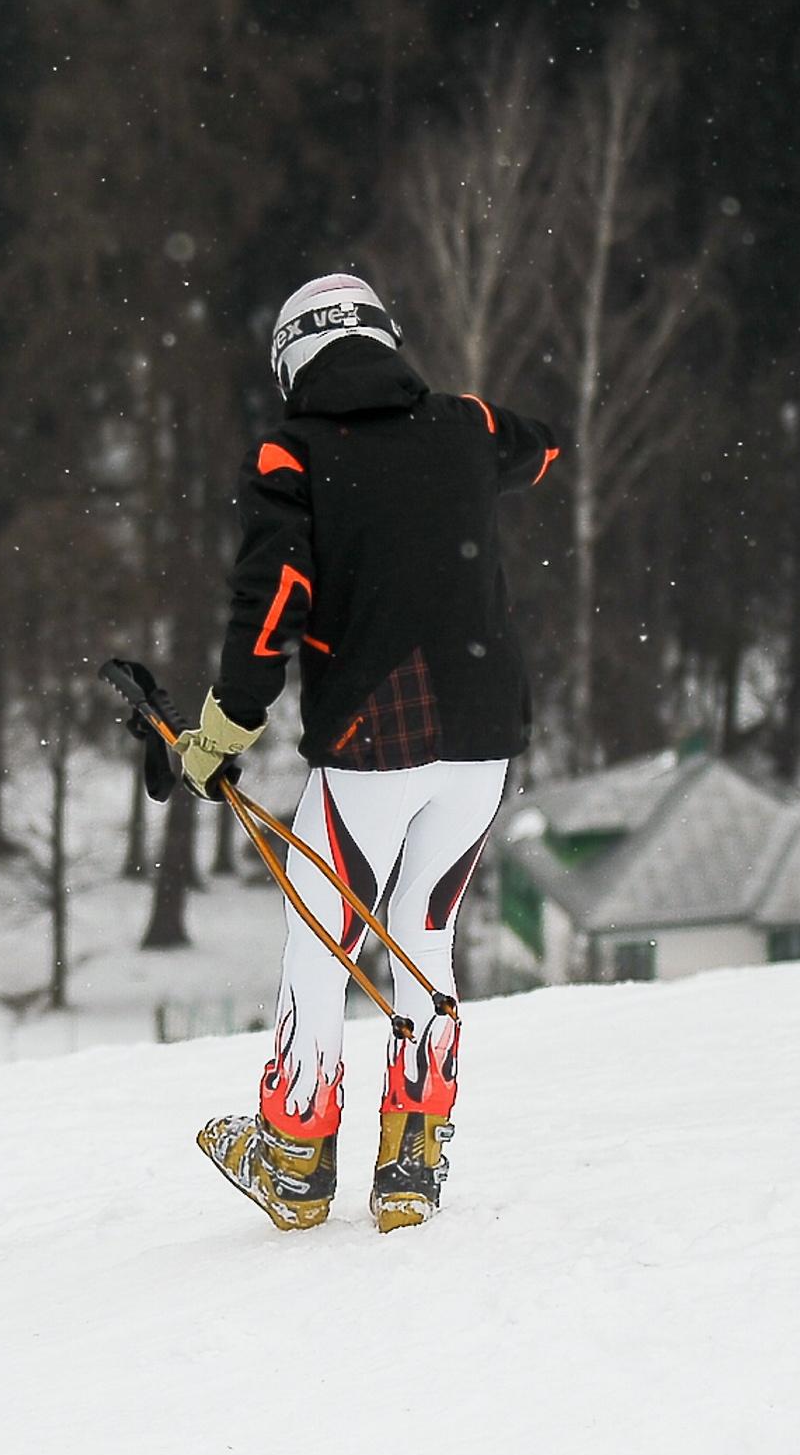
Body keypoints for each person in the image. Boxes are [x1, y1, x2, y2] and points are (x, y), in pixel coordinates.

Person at [178, 272, 564, 1236]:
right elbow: (544, 446)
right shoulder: (467, 427)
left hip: (373, 739)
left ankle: (296, 1158)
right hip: (484, 733)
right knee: (425, 931)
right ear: (386, 341)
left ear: (292, 361)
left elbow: (271, 606)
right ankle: (411, 1163)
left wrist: (225, 726)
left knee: (324, 940)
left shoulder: (290, 452)